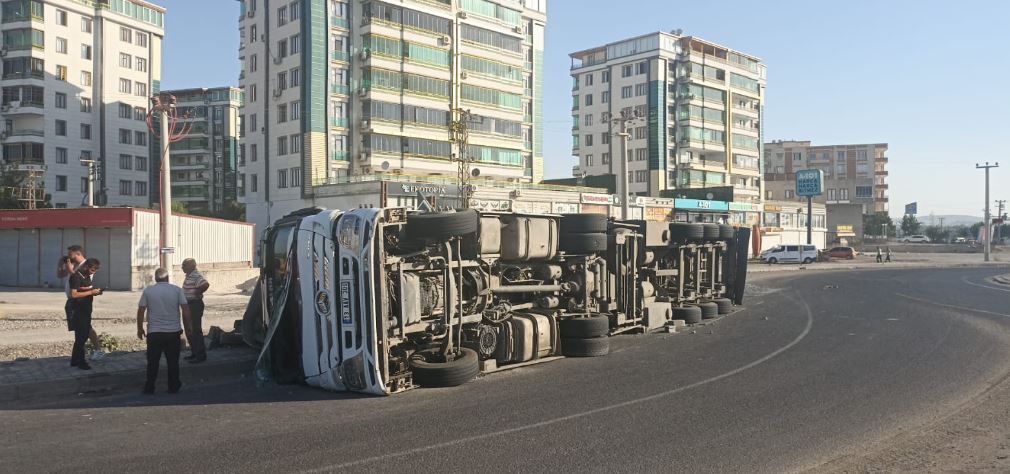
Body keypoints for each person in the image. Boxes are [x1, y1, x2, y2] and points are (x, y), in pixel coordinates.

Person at [137, 268, 192, 394]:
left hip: (154, 332)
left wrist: (139, 328)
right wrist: (188, 327)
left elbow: (141, 310)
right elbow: (186, 309)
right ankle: (174, 386)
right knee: (173, 361)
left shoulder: (148, 291)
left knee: (153, 362)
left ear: (155, 279)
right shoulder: (177, 290)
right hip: (173, 332)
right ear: (167, 278)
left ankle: (149, 387)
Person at [59, 246, 105, 361]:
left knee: (84, 329)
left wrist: (71, 271)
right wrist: (61, 265)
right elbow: (61, 276)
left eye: (71, 254)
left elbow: (79, 283)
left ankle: (90, 352)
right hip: (75, 302)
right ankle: (81, 355)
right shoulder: (75, 267)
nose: (69, 257)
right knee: (81, 330)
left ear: (78, 254)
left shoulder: (87, 266)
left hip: (81, 303)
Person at [69, 258, 103, 370]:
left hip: (86, 310)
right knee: (82, 337)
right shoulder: (76, 277)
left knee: (81, 336)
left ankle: (74, 360)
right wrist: (91, 292)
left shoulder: (87, 277)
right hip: (78, 311)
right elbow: (73, 294)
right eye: (92, 270)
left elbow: (86, 291)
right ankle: (81, 362)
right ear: (86, 266)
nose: (93, 272)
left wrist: (95, 292)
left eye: (95, 271)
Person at [181, 258, 210, 363]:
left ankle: (200, 355)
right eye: (183, 265)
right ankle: (194, 352)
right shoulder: (189, 276)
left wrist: (196, 293)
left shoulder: (196, 275)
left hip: (194, 305)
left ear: (192, 266)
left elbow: (205, 284)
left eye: (184, 265)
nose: (182, 267)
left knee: (195, 330)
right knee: (189, 330)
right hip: (188, 306)